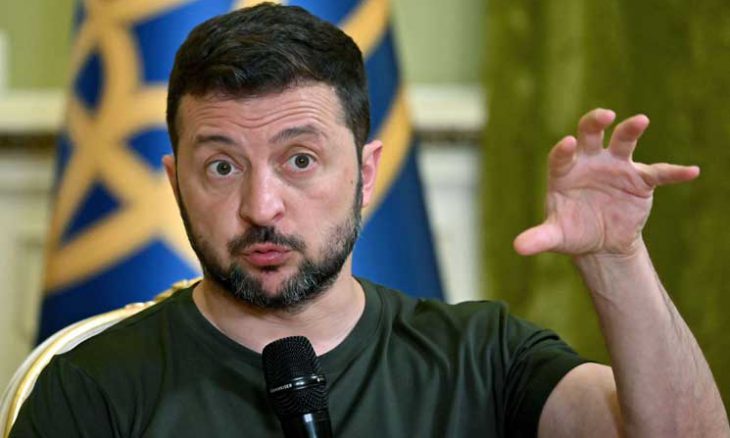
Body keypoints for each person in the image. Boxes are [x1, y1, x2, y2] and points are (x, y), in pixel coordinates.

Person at [11, 3, 728, 437]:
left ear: (367, 173)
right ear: (175, 183)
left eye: (299, 160)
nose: (261, 207)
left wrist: (616, 259)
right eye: (222, 167)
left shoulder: (480, 359)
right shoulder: (89, 390)